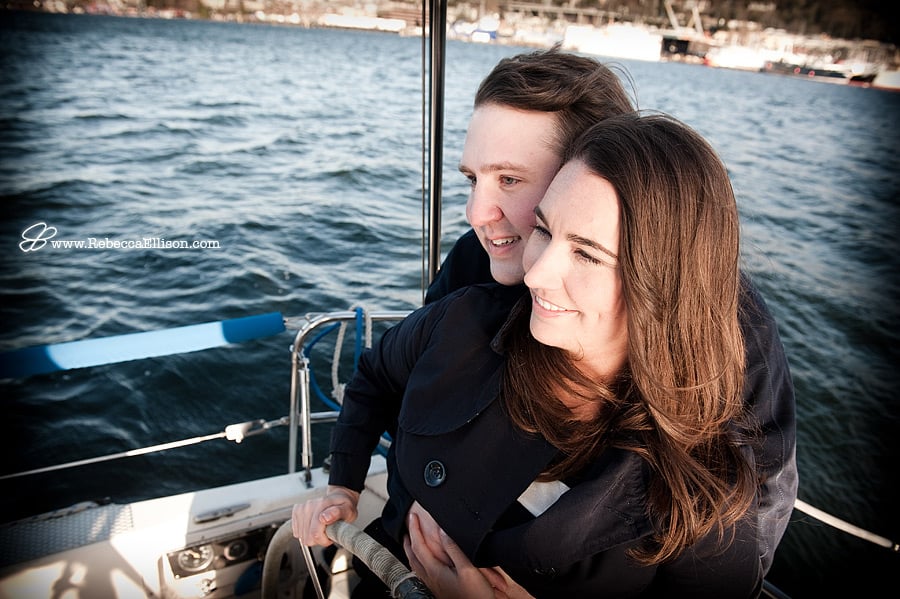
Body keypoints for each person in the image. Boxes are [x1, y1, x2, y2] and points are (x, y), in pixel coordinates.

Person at [295, 112, 770, 597]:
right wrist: (343, 485)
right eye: (544, 231)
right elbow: (375, 376)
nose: (537, 273)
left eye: (586, 254)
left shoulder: (704, 494)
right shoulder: (463, 319)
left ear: (666, 286)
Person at [424, 47, 796, 575]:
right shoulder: (477, 256)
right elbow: (419, 379)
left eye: (510, 179)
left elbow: (749, 508)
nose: (476, 214)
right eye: (471, 178)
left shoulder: (722, 322)